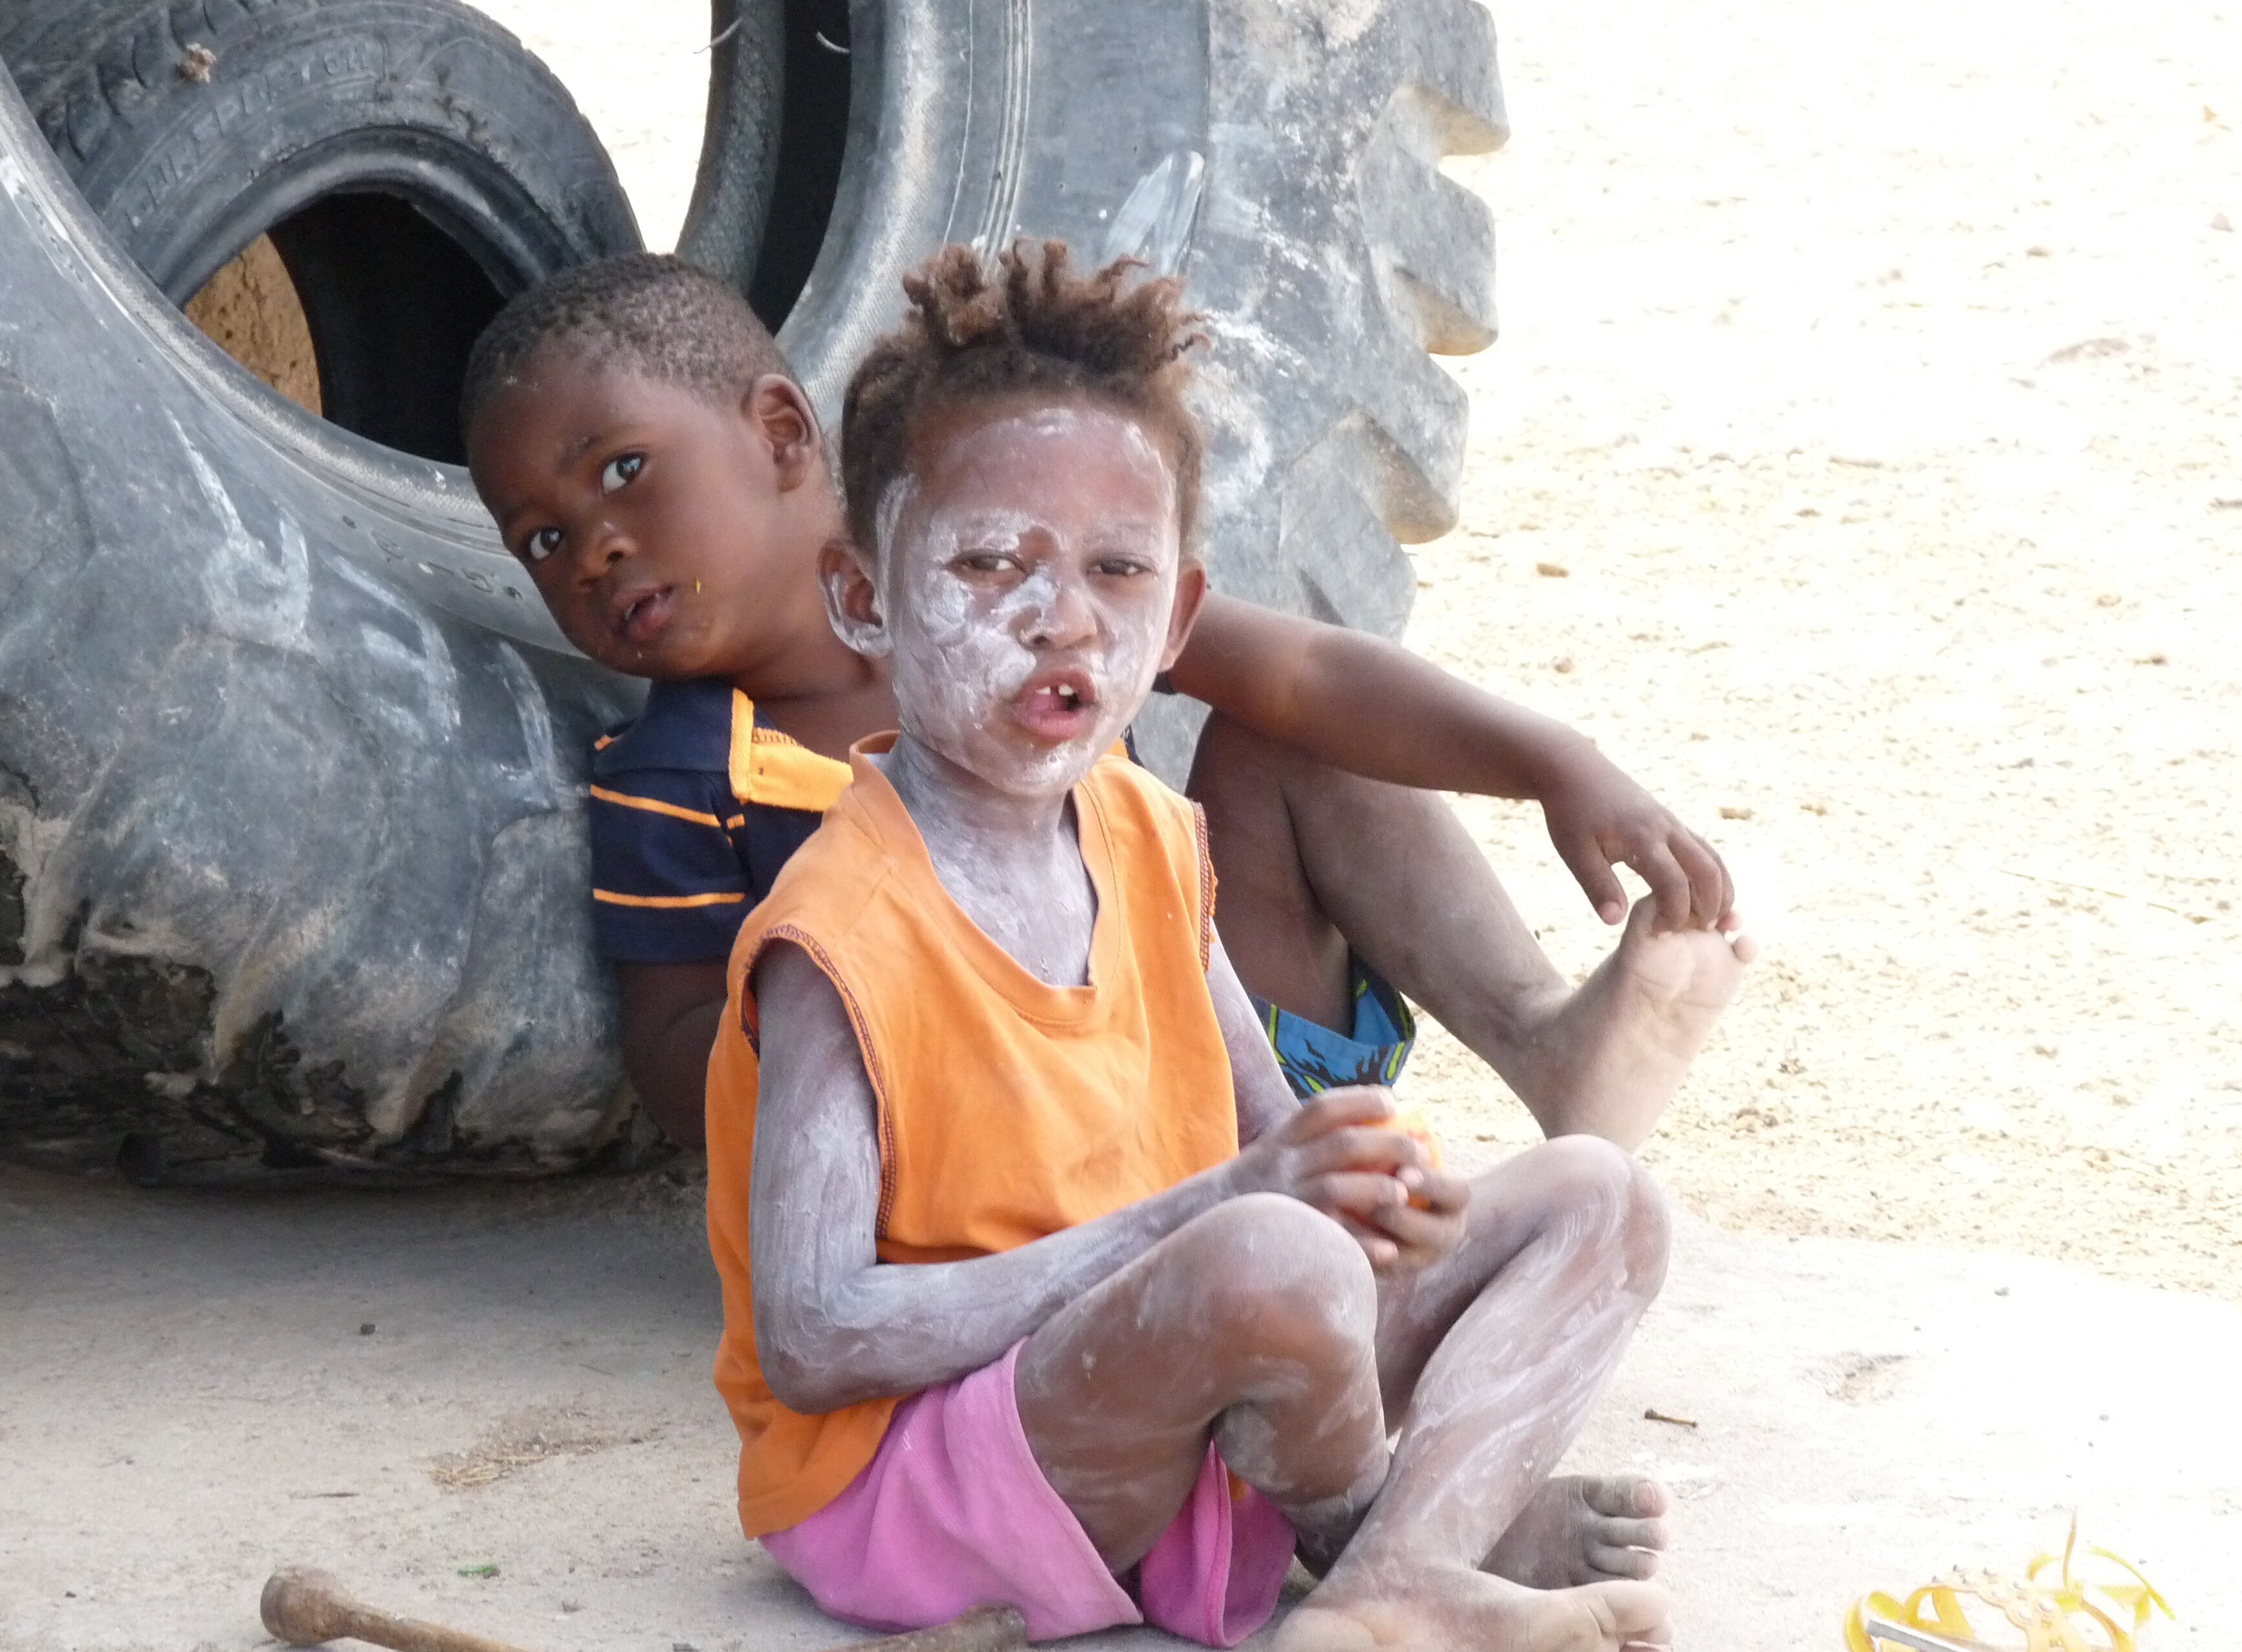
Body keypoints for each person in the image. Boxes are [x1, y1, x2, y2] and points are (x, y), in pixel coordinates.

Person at [686, 241, 1689, 1652]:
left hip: (1172, 1390)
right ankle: (1402, 1542)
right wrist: (1227, 1213)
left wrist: (1364, 1185)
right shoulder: (841, 933)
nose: (1061, 618)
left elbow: (1268, 1136)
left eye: (1116, 572)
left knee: (1600, 1196)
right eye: (985, 565)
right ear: (861, 597)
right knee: (1266, 1258)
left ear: (1175, 618)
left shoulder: (1151, 837)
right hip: (918, 1480)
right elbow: (822, 1337)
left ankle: (1396, 1568)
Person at [459, 252, 1752, 1163]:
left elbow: (1300, 671)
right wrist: (839, 1033)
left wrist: (1552, 761)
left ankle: (1544, 1046)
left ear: (785, 430)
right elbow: (673, 1037)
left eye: (624, 472)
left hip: (1233, 1062)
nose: (595, 550)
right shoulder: (682, 772)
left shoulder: (1005, 572)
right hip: (1001, 1175)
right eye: (542, 540)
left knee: (1286, 737)